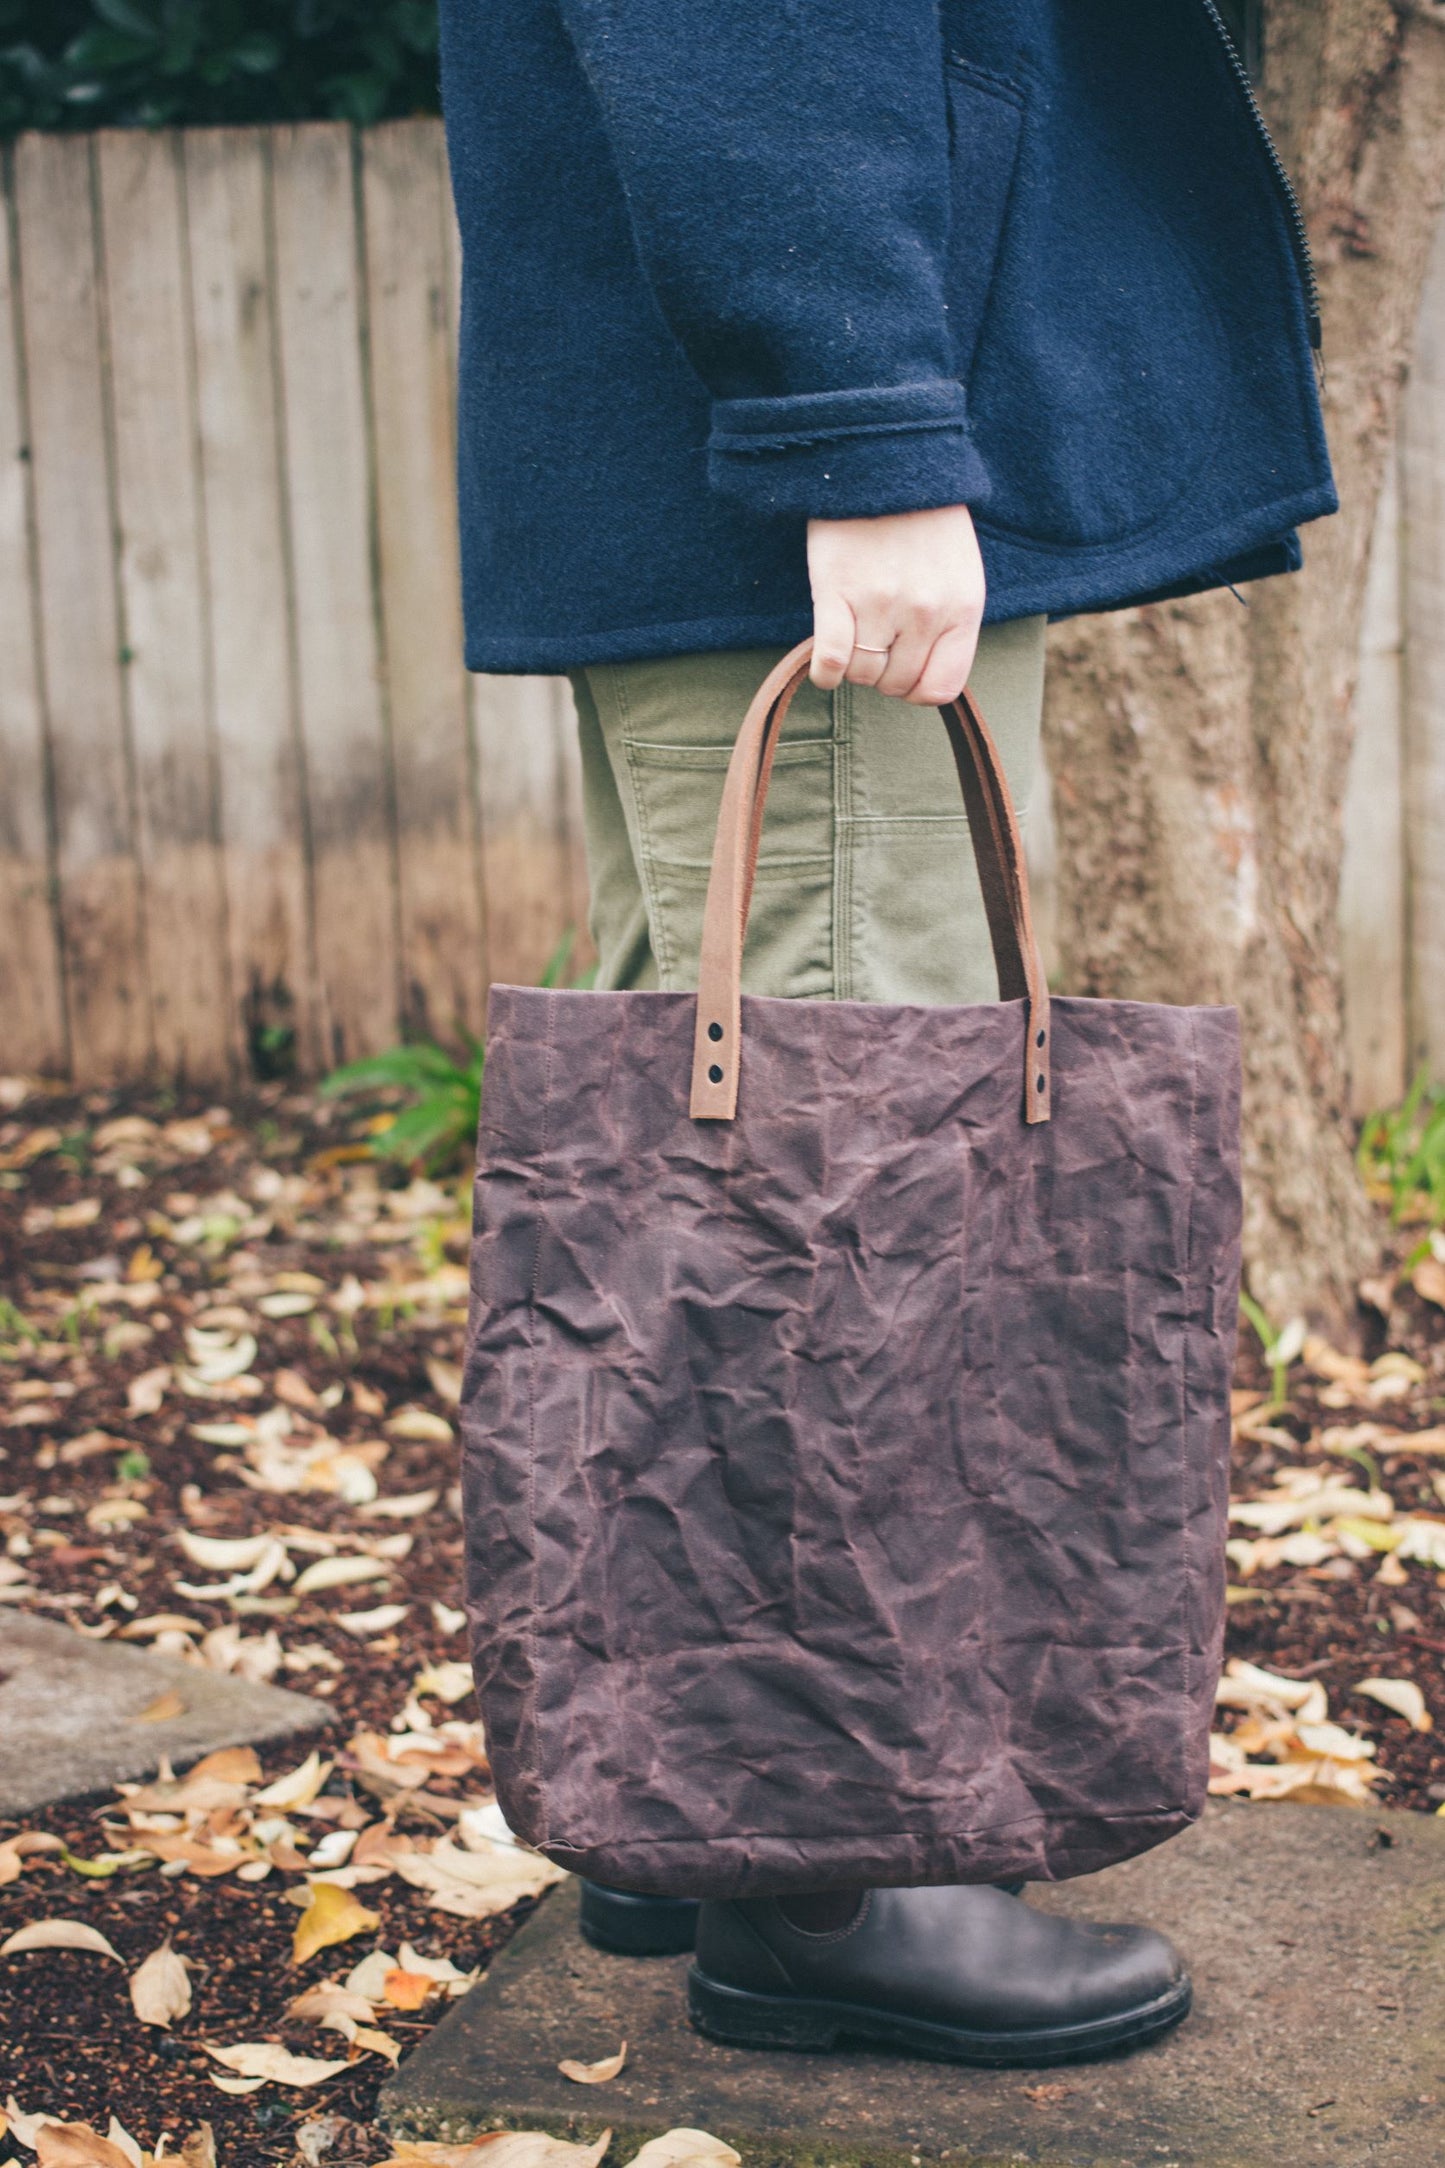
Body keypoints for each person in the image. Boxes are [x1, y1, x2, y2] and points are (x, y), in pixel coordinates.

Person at [437, 0, 1334, 2065]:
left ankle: (707, 1786)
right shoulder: (833, 425)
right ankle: (836, 1878)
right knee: (854, 1177)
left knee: (739, 1146)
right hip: (802, 447)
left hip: (732, 435)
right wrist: (855, 413)